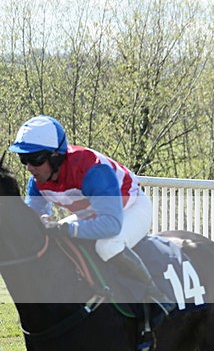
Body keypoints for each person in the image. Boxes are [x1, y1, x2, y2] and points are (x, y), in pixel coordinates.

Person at [8, 115, 173, 317]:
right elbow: (32, 220)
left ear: (55, 156)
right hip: (92, 213)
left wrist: (66, 228)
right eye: (24, 159)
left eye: (35, 159)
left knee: (107, 246)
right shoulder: (38, 181)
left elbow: (111, 225)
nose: (29, 167)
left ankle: (156, 294)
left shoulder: (92, 170)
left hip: (130, 208)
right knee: (56, 240)